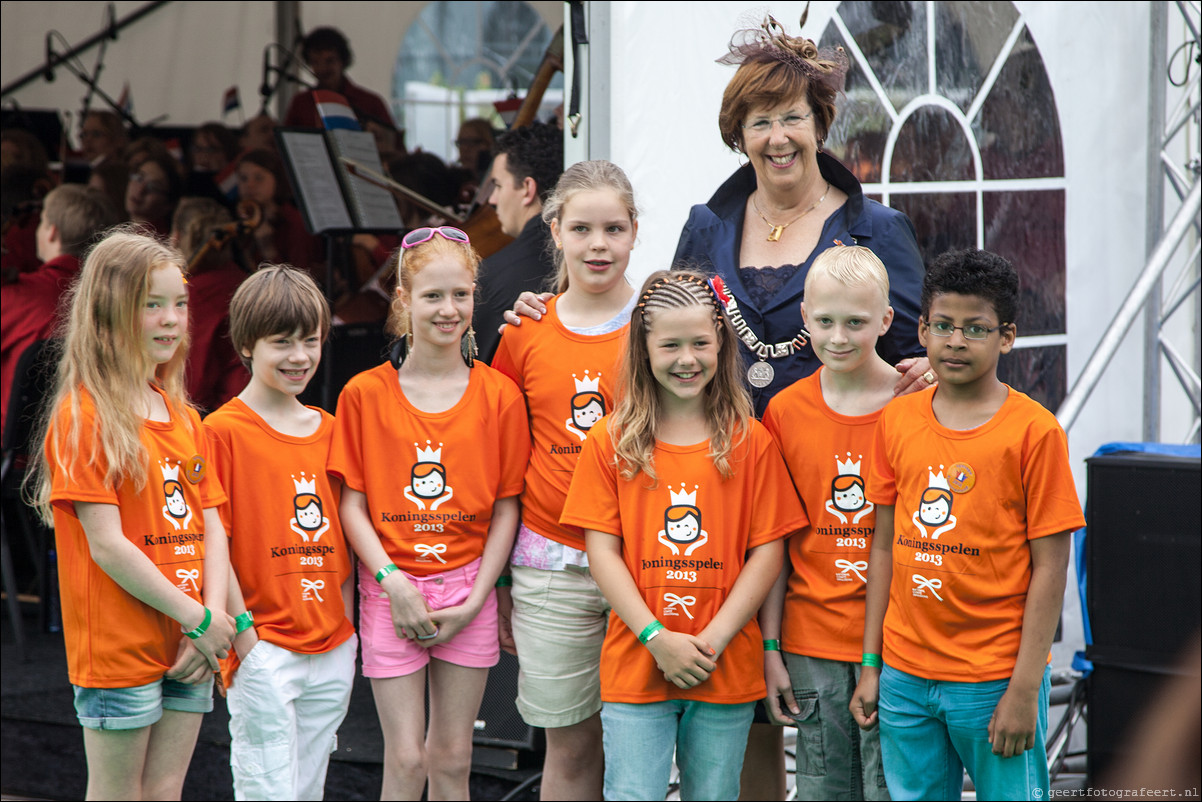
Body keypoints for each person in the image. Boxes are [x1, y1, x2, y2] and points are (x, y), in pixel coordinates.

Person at [670, 12, 933, 796]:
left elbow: (910, 341)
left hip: (836, 491)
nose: (778, 136)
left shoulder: (876, 228)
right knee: (739, 692)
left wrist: (921, 373)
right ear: (738, 133)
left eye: (793, 117)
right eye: (760, 121)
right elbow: (668, 329)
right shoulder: (706, 225)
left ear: (820, 124)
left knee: (838, 707)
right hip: (724, 480)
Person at [560, 268, 805, 801]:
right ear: (643, 348)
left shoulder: (750, 441)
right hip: (637, 661)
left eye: (700, 343)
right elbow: (601, 552)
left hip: (724, 664)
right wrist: (656, 637)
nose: (687, 359)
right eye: (670, 345)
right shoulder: (612, 441)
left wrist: (713, 640)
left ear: (722, 342)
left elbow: (768, 552)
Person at [849, 248, 1085, 800]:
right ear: (922, 329)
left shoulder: (1035, 432)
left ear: (1006, 337)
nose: (955, 341)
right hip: (904, 677)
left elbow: (1052, 565)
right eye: (944, 326)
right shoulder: (898, 418)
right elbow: (881, 546)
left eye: (975, 329)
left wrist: (1025, 688)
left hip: (993, 680)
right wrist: (871, 664)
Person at [27, 229, 236, 799]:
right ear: (108, 313)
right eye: (152, 304)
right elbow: (108, 545)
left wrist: (210, 623)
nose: (171, 319)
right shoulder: (83, 415)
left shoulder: (185, 416)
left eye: (180, 303)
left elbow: (212, 526)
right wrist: (201, 620)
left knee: (164, 792)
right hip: (121, 651)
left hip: (190, 644)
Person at [328, 226, 530, 800]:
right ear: (403, 301)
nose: (449, 310)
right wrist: (393, 583)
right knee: (407, 758)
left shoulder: (499, 396)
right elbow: (352, 505)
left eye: (461, 295)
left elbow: (506, 508)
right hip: (391, 589)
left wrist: (477, 599)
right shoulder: (364, 395)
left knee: (452, 756)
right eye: (433, 296)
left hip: (470, 586)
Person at [489, 159, 639, 800]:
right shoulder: (524, 331)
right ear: (553, 230)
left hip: (648, 558)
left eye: (613, 228)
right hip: (550, 562)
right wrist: (496, 579)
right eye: (581, 228)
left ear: (635, 230)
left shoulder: (663, 326)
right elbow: (496, 461)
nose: (598, 244)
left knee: (640, 745)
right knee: (570, 748)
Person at [203, 265, 356, 800]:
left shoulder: (331, 429)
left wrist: (349, 628)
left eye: (310, 341)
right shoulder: (220, 431)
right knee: (267, 790)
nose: (299, 356)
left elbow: (346, 537)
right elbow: (211, 539)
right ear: (247, 344)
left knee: (309, 787)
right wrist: (247, 641)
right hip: (264, 645)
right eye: (282, 342)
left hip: (332, 644)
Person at [759, 245, 899, 800]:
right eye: (825, 321)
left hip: (898, 643)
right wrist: (770, 648)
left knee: (891, 787)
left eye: (856, 323)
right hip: (810, 641)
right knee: (824, 790)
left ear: (886, 320)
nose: (838, 337)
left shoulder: (917, 404)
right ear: (804, 319)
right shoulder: (785, 413)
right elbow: (773, 541)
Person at [1, 184, 120, 440]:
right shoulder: (118, 304)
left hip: (15, 456)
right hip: (89, 444)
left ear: (52, 232)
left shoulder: (16, 297)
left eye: (42, 221)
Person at [476, 121, 563, 363]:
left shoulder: (489, 277)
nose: (492, 199)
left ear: (527, 188)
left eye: (498, 185)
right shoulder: (589, 267)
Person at [168, 198, 249, 414]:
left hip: (223, 414)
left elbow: (193, 390)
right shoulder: (242, 280)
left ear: (176, 237)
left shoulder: (195, 296)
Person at [234, 148, 323, 285]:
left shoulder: (295, 222)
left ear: (277, 180)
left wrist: (268, 249)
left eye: (259, 178)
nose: (249, 185)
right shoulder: (244, 219)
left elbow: (298, 282)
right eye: (243, 178)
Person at [284, 26, 396, 131]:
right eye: (315, 62)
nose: (322, 69)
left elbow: (395, 146)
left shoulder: (370, 103)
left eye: (330, 61)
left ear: (343, 61)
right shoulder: (301, 103)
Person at [126, 150, 183, 237]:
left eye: (153, 187)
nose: (140, 190)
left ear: (168, 204)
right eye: (139, 178)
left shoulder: (155, 242)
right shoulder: (127, 230)